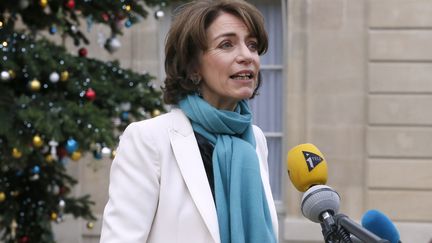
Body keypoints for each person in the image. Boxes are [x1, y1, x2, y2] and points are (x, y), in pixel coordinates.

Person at [100, 0, 278, 242]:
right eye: (227, 44)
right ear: (193, 66)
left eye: (252, 45)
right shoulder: (149, 140)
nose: (247, 56)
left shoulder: (255, 139)